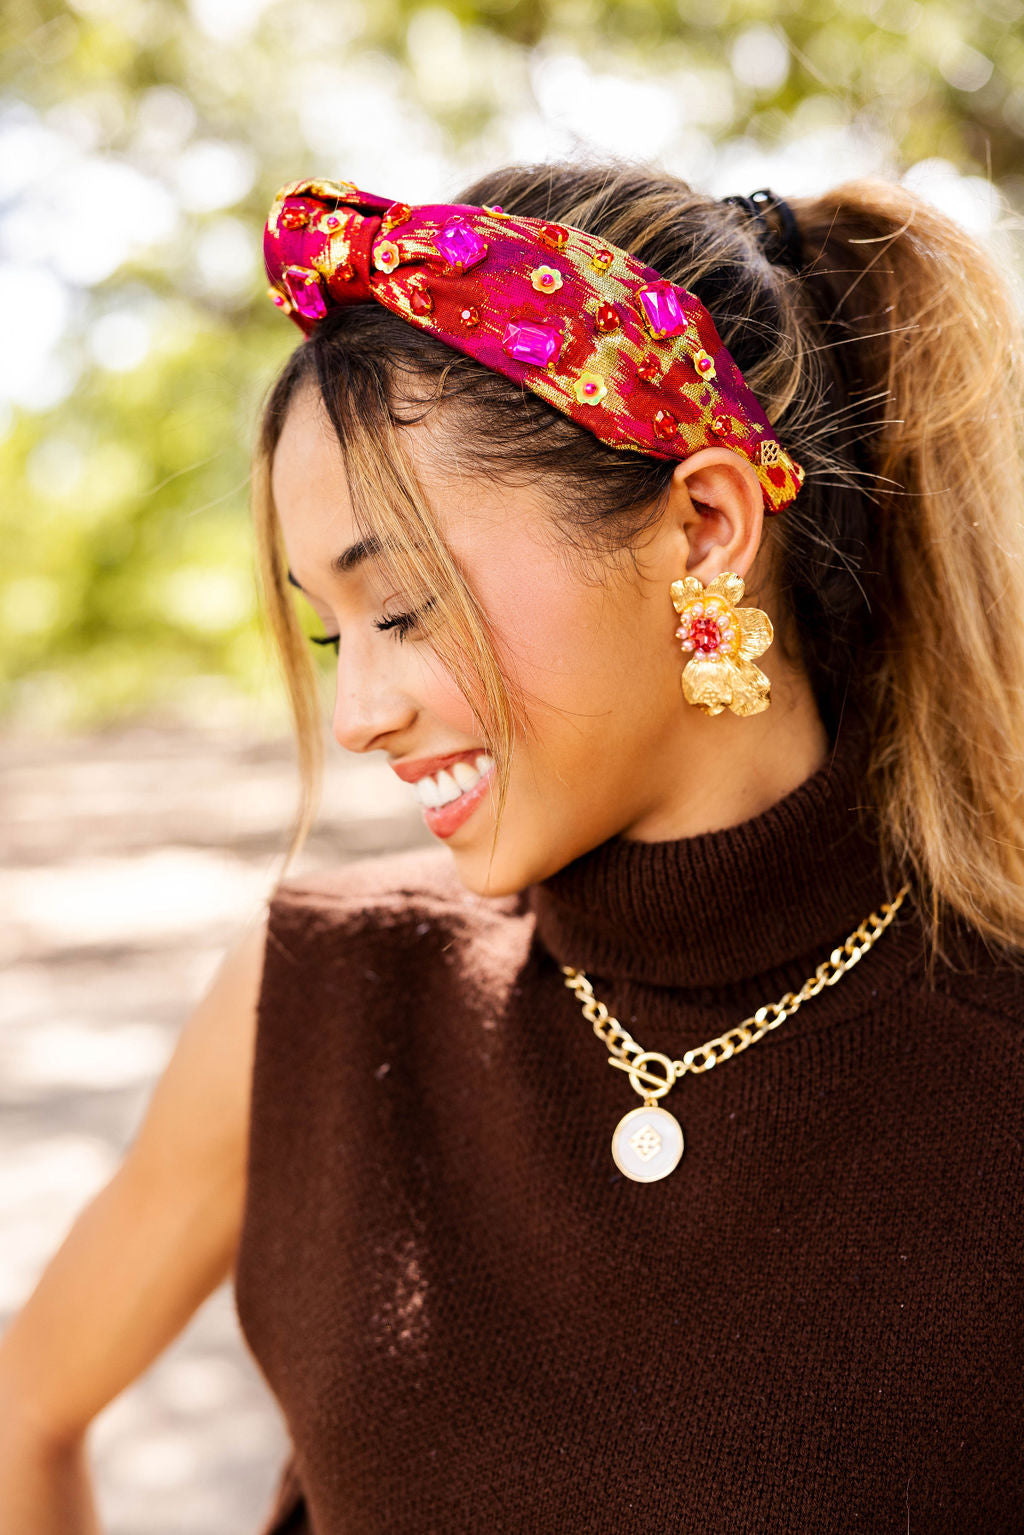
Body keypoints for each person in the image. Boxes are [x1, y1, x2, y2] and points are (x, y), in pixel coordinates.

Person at [1, 159, 1022, 1534]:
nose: (357, 712)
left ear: (706, 529)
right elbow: (28, 1413)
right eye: (328, 634)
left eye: (406, 609)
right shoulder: (317, 991)